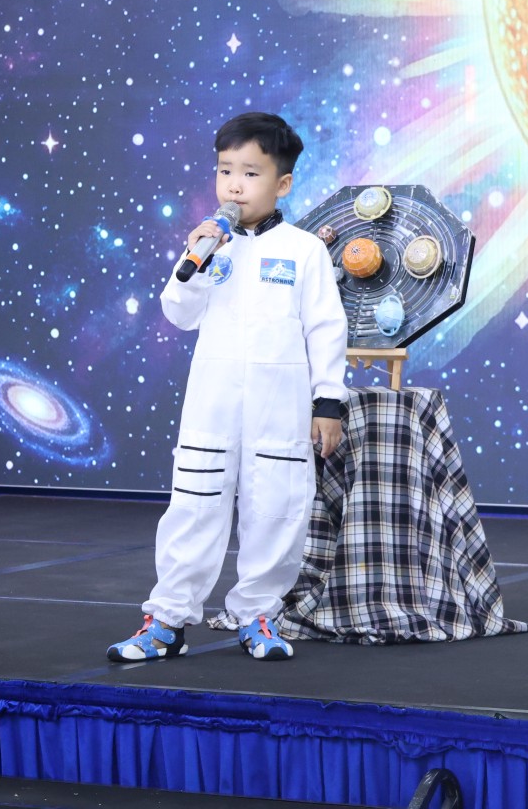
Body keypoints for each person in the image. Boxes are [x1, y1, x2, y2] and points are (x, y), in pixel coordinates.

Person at [108, 112, 349, 663]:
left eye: (250, 173)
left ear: (282, 183)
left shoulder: (304, 250)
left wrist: (328, 402)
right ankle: (167, 621)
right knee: (193, 509)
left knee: (277, 510)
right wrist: (197, 258)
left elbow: (326, 329)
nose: (235, 185)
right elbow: (179, 313)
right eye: (225, 171)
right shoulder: (209, 245)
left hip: (278, 408)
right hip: (212, 406)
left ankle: (257, 615)